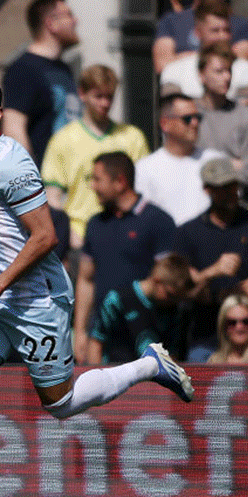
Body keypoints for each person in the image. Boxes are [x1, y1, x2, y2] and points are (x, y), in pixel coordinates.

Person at [0, 74, 194, 497]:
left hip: (38, 300)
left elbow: (46, 236)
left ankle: (149, 365)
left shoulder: (11, 163)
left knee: (61, 403)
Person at [174, 157, 248, 361]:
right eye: (222, 187)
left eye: (233, 184)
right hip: (206, 339)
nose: (231, 192)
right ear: (208, 189)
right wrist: (214, 271)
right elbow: (183, 288)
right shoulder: (188, 232)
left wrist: (215, 294)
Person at [74, 152, 176, 361]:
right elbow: (86, 280)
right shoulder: (95, 224)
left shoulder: (158, 221)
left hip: (146, 341)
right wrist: (81, 332)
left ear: (120, 181)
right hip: (104, 342)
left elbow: (169, 282)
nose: (92, 186)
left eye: (97, 179)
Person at [42, 64, 149, 249]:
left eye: (109, 97)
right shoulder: (63, 140)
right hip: (79, 237)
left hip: (125, 236)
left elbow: (144, 190)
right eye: (98, 96)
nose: (105, 103)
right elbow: (53, 196)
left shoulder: (133, 137)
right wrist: (69, 234)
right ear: (82, 94)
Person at [1, 0, 81, 165]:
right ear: (51, 23)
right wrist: (32, 182)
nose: (76, 21)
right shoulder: (23, 69)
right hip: (44, 182)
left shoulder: (63, 69)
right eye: (69, 15)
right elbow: (14, 128)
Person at [84, 253, 194, 365]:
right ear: (157, 281)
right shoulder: (118, 300)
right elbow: (96, 342)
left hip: (152, 378)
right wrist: (98, 373)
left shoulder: (174, 310)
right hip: (117, 373)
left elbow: (172, 355)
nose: (174, 301)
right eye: (171, 295)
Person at [136, 91, 225, 225]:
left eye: (197, 117)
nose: (195, 123)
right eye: (187, 118)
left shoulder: (217, 161)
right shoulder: (144, 169)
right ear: (165, 124)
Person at [193, 42, 248, 197]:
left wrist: (206, 166)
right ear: (201, 75)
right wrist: (233, 164)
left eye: (229, 71)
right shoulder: (189, 115)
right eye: (219, 71)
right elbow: (182, 166)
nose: (226, 77)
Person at [160, 0, 248, 103]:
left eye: (226, 30)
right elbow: (172, 114)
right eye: (215, 30)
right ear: (198, 33)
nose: (223, 36)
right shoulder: (175, 73)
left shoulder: (247, 71)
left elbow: (246, 114)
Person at [208, 295, 248, 364]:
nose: (239, 327)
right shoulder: (214, 362)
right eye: (232, 323)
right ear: (223, 326)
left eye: (246, 322)